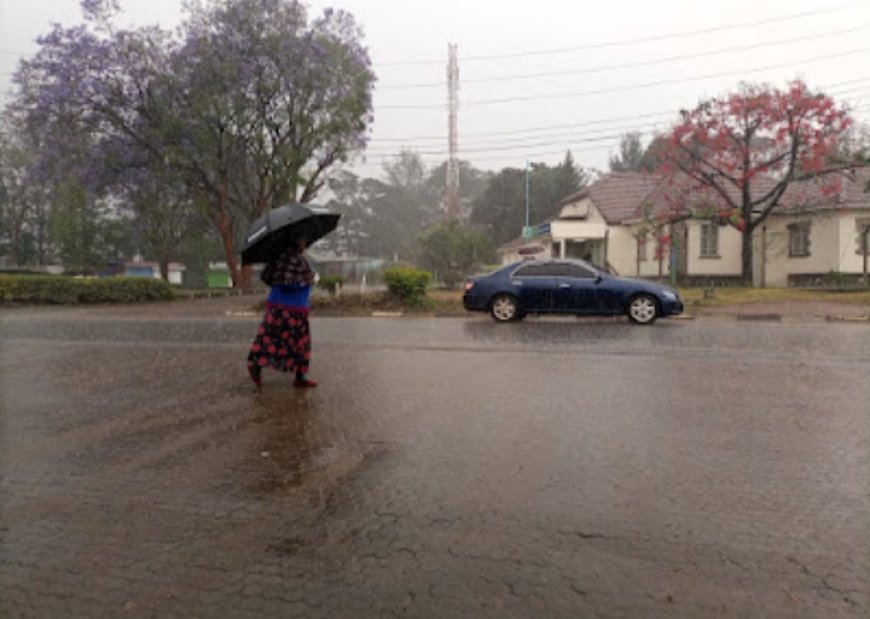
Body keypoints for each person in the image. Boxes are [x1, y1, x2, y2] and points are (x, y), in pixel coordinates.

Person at [247, 239, 318, 390]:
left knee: (276, 340)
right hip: (290, 309)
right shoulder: (292, 259)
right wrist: (309, 279)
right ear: (297, 242)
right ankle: (258, 366)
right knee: (291, 342)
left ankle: (298, 375)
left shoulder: (280, 259)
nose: (305, 243)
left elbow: (268, 277)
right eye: (302, 240)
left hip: (286, 307)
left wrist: (306, 278)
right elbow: (289, 282)